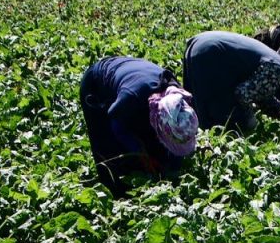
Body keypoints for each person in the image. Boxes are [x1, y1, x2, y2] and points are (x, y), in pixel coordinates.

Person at [79, 56, 198, 195]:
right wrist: (142, 154)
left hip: (135, 81)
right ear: (159, 124)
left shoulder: (179, 101)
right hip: (97, 84)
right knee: (109, 151)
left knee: (152, 144)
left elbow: (177, 135)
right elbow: (117, 127)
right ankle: (116, 193)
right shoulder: (132, 97)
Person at [182, 31, 280, 133]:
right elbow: (243, 94)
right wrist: (250, 121)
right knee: (220, 114)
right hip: (210, 54)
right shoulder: (277, 69)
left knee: (195, 103)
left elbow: (261, 92)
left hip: (199, 43)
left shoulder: (277, 59)